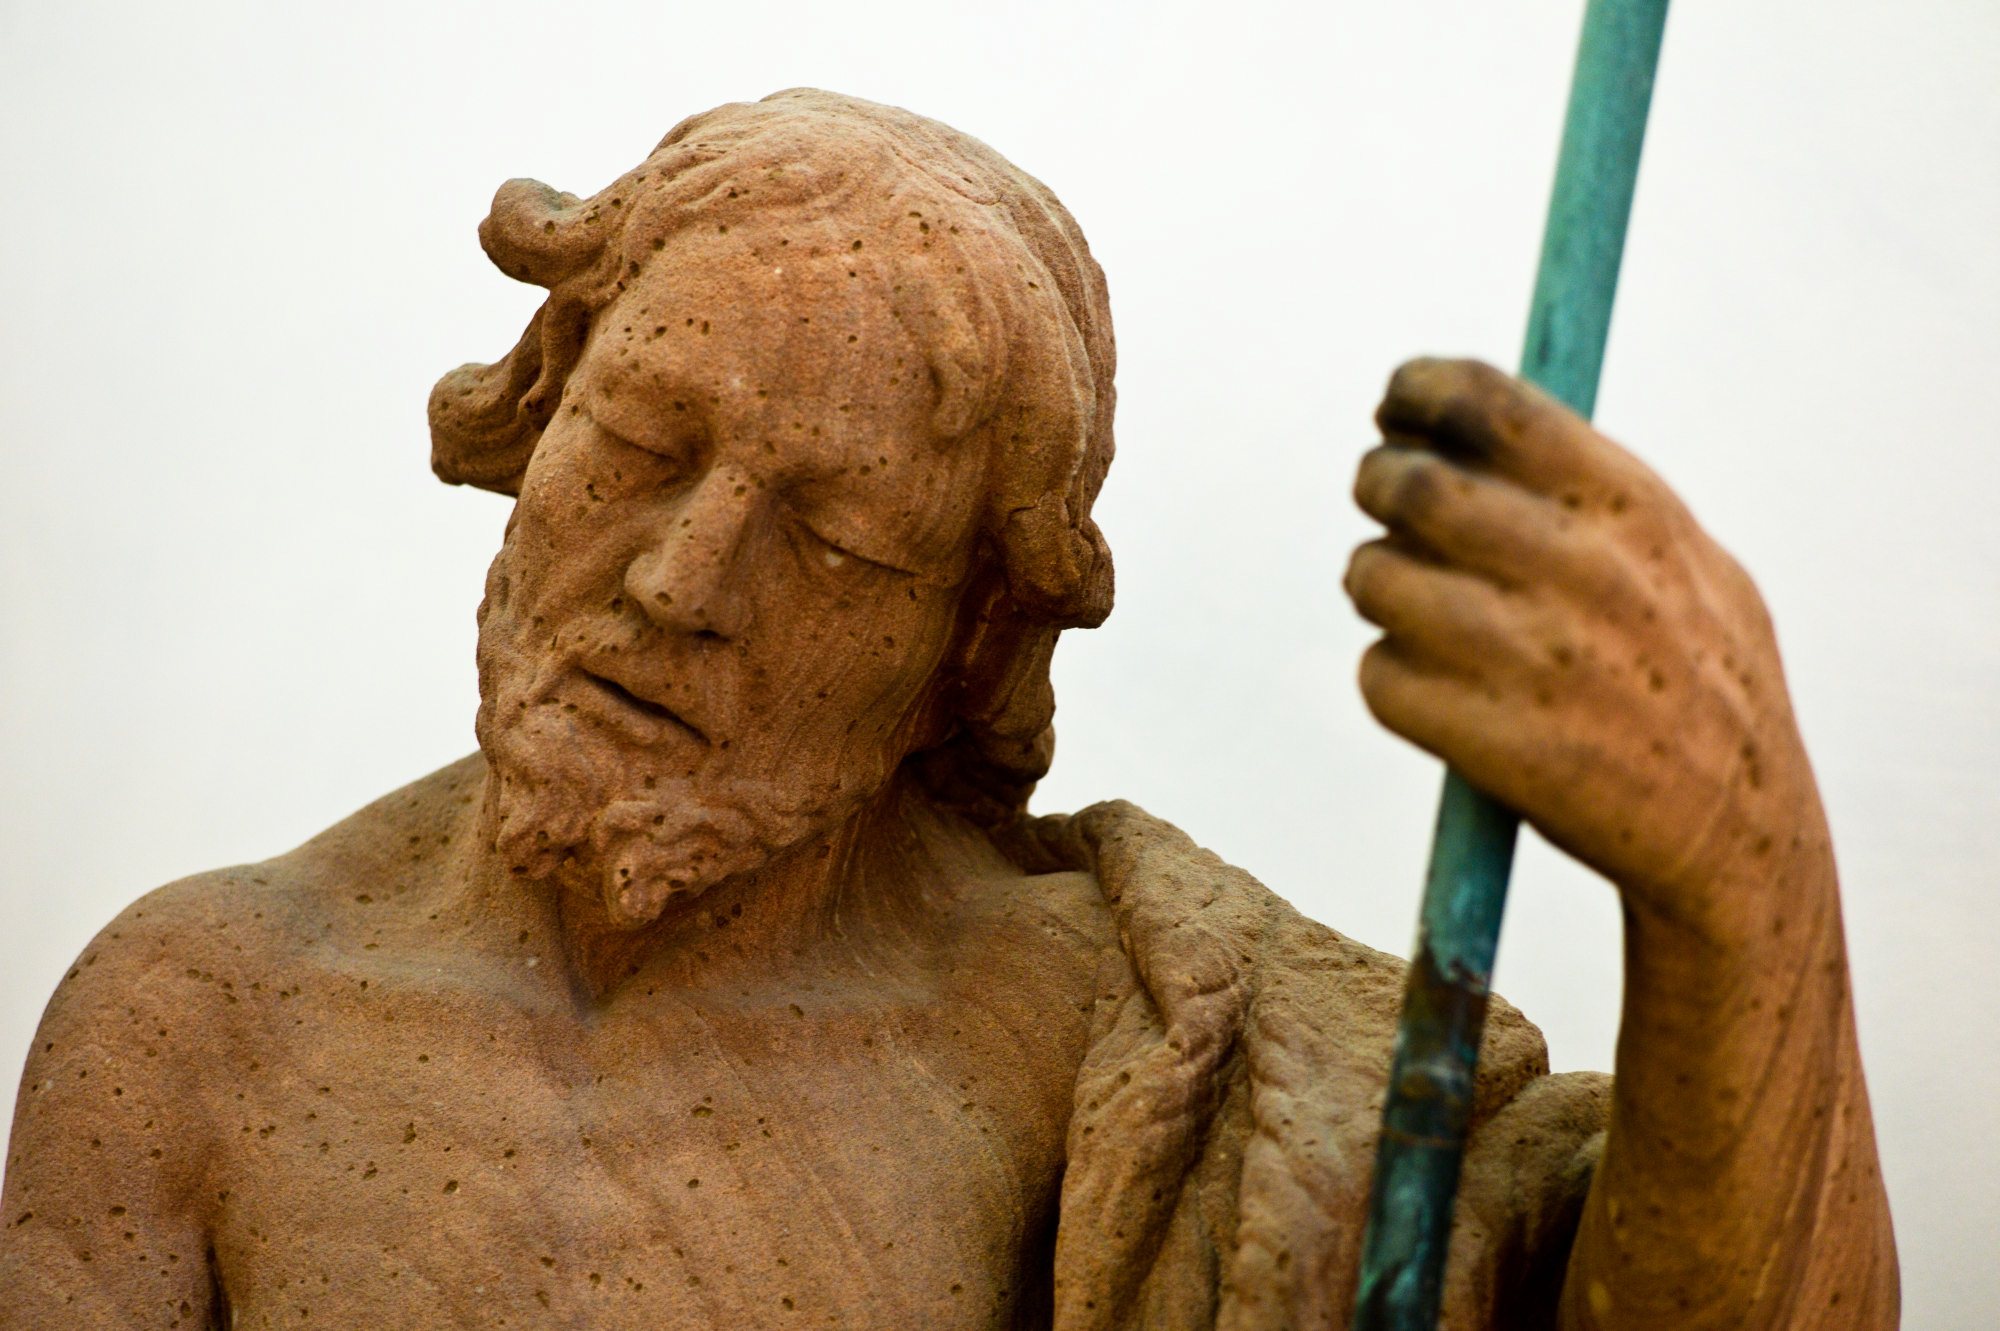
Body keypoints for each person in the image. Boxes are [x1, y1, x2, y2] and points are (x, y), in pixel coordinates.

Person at [0, 89, 1895, 1329]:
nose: (682, 580)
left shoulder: (1140, 1059)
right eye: (644, 443)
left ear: (969, 640)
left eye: (835, 542)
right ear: (545, 399)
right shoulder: (199, 1022)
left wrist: (1739, 897)